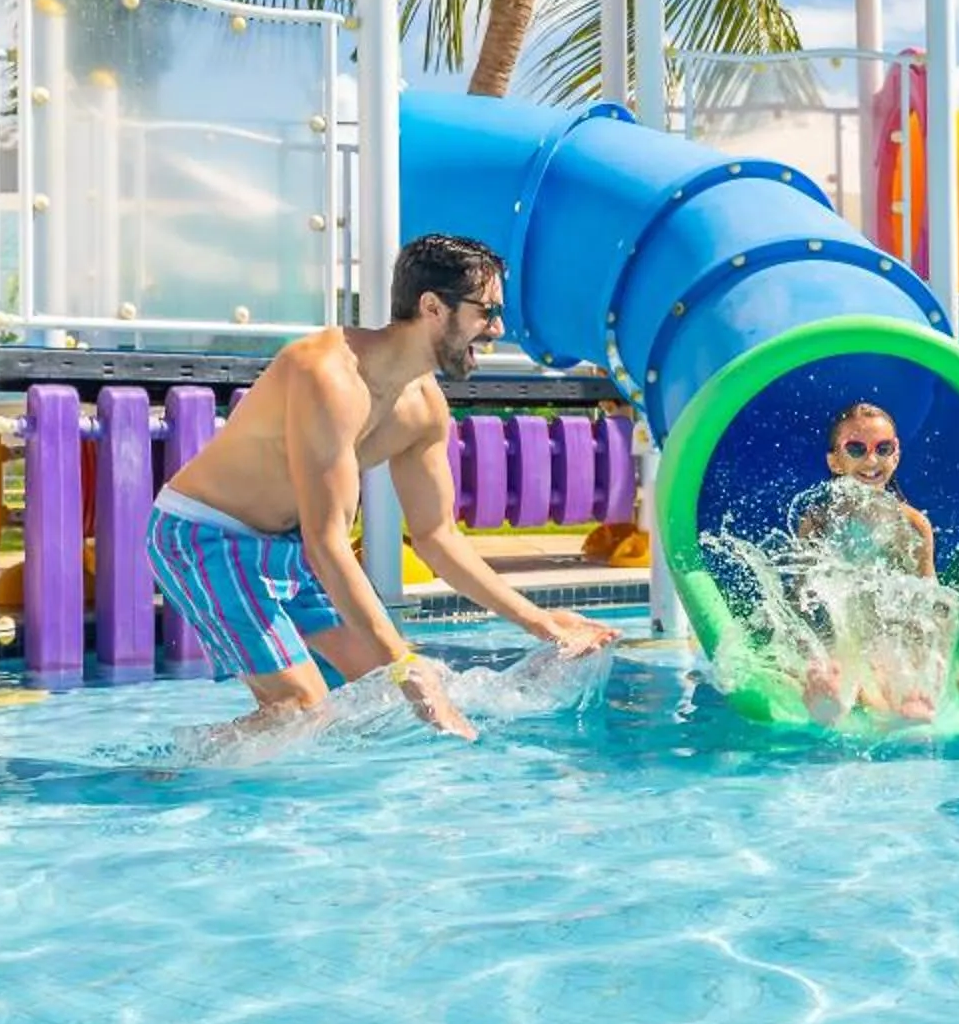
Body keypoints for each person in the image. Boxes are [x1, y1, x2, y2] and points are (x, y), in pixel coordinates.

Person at [147, 232, 616, 744]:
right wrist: (406, 669)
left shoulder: (423, 409)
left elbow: (438, 536)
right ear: (433, 307)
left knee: (380, 695)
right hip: (206, 535)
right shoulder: (326, 374)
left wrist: (542, 623)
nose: (498, 329)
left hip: (285, 550)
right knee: (300, 709)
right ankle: (167, 772)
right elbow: (326, 544)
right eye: (487, 312)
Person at [791, 403, 952, 724]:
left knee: (888, 667)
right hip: (838, 631)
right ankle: (830, 699)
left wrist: (937, 657)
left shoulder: (913, 525)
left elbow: (929, 599)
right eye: (856, 449)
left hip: (886, 632)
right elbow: (801, 597)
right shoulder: (818, 521)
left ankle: (897, 708)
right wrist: (809, 647)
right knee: (833, 665)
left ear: (896, 455)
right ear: (834, 461)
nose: (871, 460)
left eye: (883, 448)